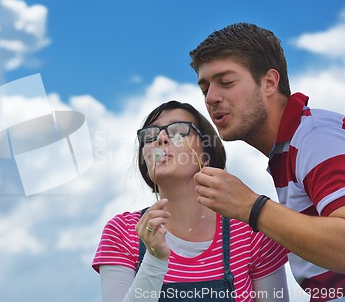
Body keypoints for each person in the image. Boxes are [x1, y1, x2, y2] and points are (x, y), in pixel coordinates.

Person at [190, 23, 345, 301]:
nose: (211, 98)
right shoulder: (290, 149)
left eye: (226, 82)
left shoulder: (314, 136)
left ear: (270, 82)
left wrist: (251, 207)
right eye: (205, 89)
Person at [92, 100, 289, 302]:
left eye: (178, 132)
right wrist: (154, 260)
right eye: (150, 136)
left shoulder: (252, 232)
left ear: (205, 156)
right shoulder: (122, 232)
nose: (161, 138)